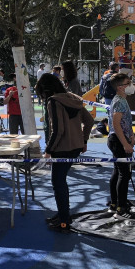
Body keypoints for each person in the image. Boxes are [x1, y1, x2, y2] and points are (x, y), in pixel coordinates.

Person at [36, 73, 93, 232]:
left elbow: (58, 130)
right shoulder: (74, 98)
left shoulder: (53, 102)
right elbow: (89, 121)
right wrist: (84, 140)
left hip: (62, 148)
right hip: (75, 147)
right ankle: (63, 214)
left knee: (58, 183)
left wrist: (48, 150)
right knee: (61, 181)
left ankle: (63, 220)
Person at [107, 73, 135, 219]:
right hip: (118, 141)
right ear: (120, 87)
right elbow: (116, 124)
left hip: (118, 139)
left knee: (118, 172)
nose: (131, 85)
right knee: (125, 173)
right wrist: (125, 143)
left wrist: (131, 134)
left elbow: (123, 123)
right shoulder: (119, 101)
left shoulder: (121, 100)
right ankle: (120, 207)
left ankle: (114, 202)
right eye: (128, 82)